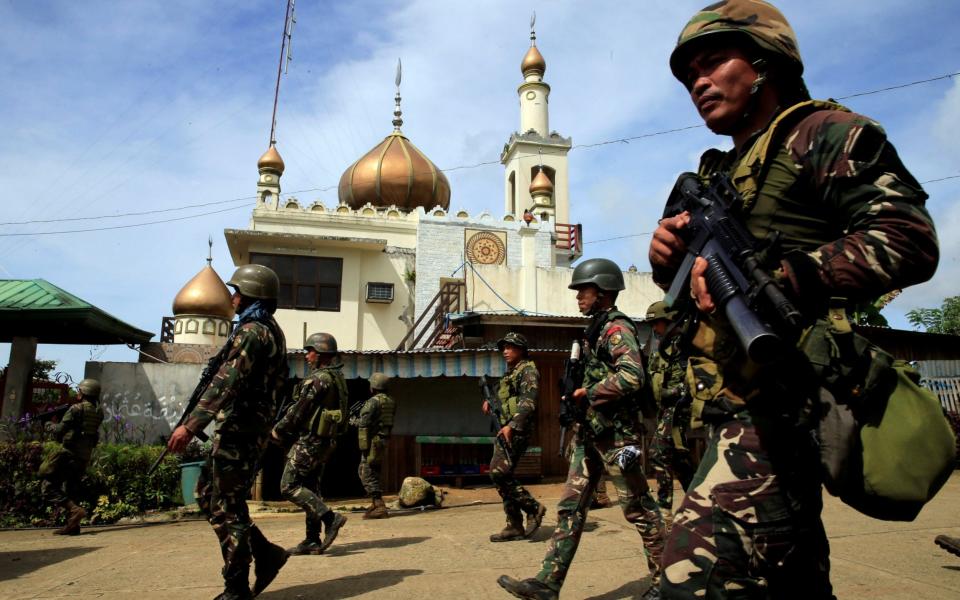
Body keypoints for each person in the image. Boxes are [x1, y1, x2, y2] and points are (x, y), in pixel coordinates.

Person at [650, 1, 939, 597]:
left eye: (713, 63)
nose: (698, 82)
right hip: (727, 402)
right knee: (789, 574)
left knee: (685, 577)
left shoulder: (825, 133)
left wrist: (788, 276)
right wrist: (668, 262)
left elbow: (908, 238)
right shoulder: (719, 172)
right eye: (688, 75)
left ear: (764, 63)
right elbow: (688, 295)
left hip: (789, 400)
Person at [498, 259, 665, 600]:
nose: (577, 297)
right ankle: (547, 584)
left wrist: (588, 392)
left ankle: (669, 582)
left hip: (617, 437)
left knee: (640, 510)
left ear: (602, 292)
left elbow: (633, 375)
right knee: (569, 511)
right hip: (590, 435)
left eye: (583, 290)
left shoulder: (616, 329)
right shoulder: (596, 329)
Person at [166, 264, 291, 600]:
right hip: (242, 430)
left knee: (228, 507)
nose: (232, 298)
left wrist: (190, 427)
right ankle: (266, 553)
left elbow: (226, 382)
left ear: (252, 295)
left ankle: (236, 587)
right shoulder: (264, 329)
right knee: (209, 496)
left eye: (238, 292)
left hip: (240, 432)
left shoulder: (253, 332)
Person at [271, 332, 350, 554]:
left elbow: (299, 411)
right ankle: (312, 539)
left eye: (310, 352)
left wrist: (278, 431)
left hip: (310, 441)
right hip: (324, 442)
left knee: (289, 486)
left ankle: (330, 518)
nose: (307, 356)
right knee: (311, 488)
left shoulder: (318, 379)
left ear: (321, 353)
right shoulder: (336, 377)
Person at [484, 331, 546, 542]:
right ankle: (514, 525)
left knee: (498, 472)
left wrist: (512, 425)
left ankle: (533, 507)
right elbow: (505, 397)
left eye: (510, 347)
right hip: (506, 428)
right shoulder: (511, 372)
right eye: (503, 348)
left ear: (521, 350)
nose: (505, 351)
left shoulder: (527, 370)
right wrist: (490, 403)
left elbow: (529, 401)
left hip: (516, 430)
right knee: (503, 475)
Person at [644, 301, 695, 531]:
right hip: (665, 409)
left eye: (658, 322)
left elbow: (691, 379)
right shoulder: (661, 346)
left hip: (679, 408)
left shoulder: (684, 343)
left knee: (657, 453)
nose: (655, 328)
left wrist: (673, 392)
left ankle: (664, 510)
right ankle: (699, 503)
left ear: (670, 320)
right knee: (679, 461)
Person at [39, 378, 105, 536]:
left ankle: (75, 510)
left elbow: (59, 431)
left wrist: (47, 423)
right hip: (84, 455)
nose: (78, 393)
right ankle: (73, 526)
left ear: (83, 393)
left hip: (69, 453)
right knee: (71, 489)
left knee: (47, 486)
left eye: (79, 390)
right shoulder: (98, 412)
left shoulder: (76, 409)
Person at [356, 372, 397, 519]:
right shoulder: (391, 401)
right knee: (374, 470)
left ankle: (379, 504)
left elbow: (364, 423)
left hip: (373, 441)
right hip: (383, 439)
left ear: (374, 387)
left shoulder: (373, 402)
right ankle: (375, 503)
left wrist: (354, 422)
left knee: (365, 471)